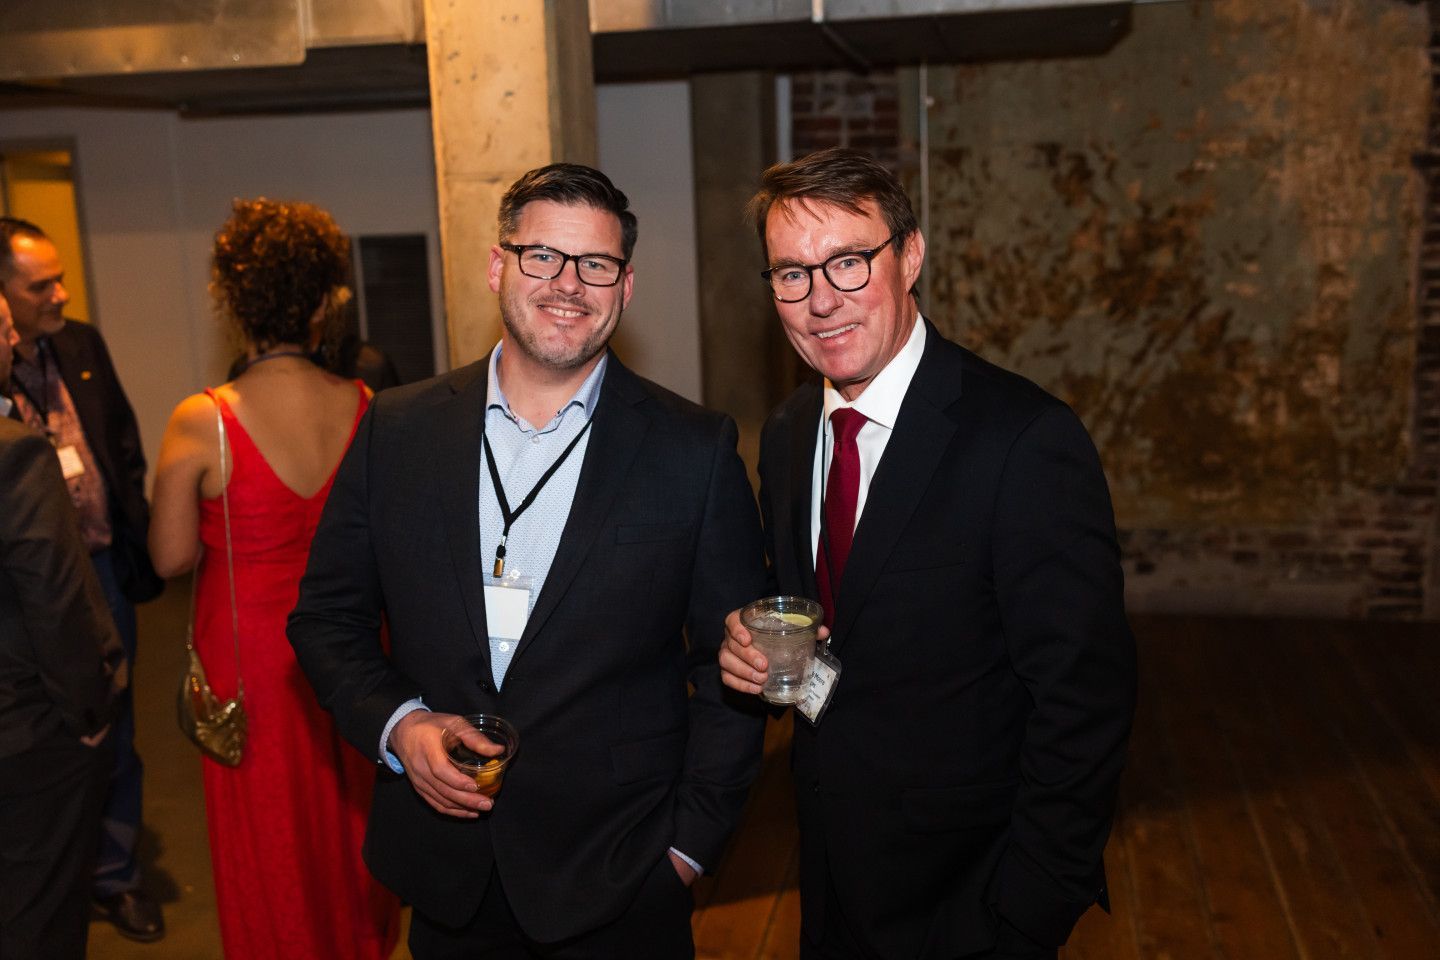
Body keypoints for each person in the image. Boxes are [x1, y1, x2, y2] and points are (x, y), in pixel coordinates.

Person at [288, 163, 768, 959]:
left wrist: (688, 849)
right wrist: (400, 728)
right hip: (449, 874)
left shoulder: (694, 449)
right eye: (541, 255)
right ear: (496, 265)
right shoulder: (398, 430)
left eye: (596, 264)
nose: (568, 284)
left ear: (626, 284)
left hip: (621, 876)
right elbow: (326, 618)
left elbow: (731, 665)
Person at [718, 148, 1137, 960]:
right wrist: (753, 650)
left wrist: (1028, 909)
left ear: (910, 256)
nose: (820, 300)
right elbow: (823, 633)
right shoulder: (788, 435)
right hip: (833, 878)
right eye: (791, 274)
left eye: (847, 261)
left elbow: (1085, 700)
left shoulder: (1023, 440)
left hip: (973, 898)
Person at [148, 199, 399, 960]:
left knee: (269, 835)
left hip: (253, 655)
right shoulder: (363, 404)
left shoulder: (204, 419)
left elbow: (169, 559)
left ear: (235, 302)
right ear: (324, 301)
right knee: (348, 812)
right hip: (353, 640)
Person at [0, 216, 165, 942]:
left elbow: (120, 441)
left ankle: (115, 873)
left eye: (62, 276)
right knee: (79, 722)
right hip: (32, 592)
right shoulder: (12, 443)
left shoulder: (81, 345)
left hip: (99, 568)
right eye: (40, 285)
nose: (60, 293)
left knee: (116, 728)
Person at [0, 291, 130, 959]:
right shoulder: (15, 453)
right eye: (2, 329)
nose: (11, 344)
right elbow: (54, 596)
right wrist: (90, 709)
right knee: (37, 917)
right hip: (25, 735)